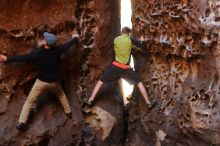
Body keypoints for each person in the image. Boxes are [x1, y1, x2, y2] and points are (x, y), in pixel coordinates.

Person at [0, 32, 79, 131]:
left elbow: (23, 57)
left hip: (41, 83)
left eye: (44, 38)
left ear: (46, 42)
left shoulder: (38, 53)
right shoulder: (57, 50)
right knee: (61, 95)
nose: (43, 39)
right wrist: (75, 38)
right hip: (54, 83)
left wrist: (7, 59)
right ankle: (68, 112)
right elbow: (67, 46)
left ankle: (21, 123)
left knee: (29, 102)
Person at [87, 27, 156, 108]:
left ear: (121, 32)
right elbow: (143, 49)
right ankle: (148, 103)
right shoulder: (130, 41)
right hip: (126, 69)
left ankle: (90, 100)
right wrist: (142, 41)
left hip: (115, 67)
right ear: (129, 33)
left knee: (100, 82)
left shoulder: (116, 40)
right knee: (139, 83)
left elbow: (124, 47)